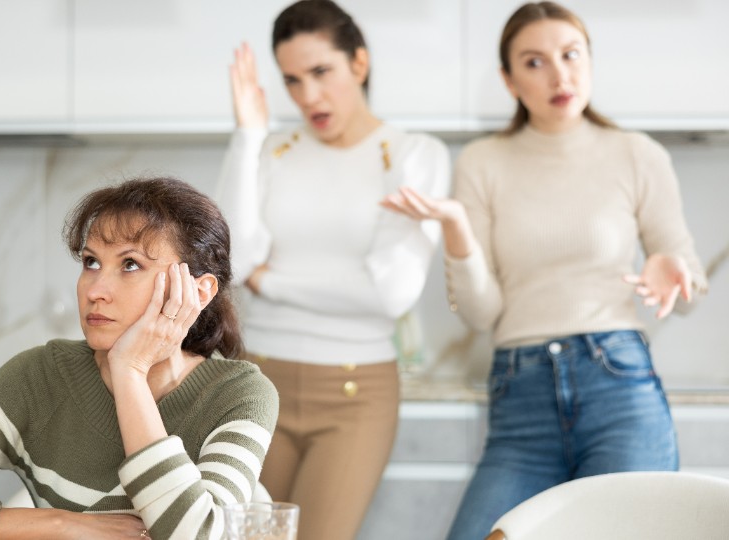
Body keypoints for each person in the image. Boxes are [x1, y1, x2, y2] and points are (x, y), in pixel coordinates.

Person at [382, 2, 709, 538]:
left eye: (571, 55)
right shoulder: (483, 162)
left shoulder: (637, 154)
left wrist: (677, 273)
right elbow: (481, 314)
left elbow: (690, 287)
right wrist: (457, 228)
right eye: (534, 62)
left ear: (590, 61)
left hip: (619, 389)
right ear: (508, 80)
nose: (559, 75)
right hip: (520, 400)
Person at [0, 177, 278, 540]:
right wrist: (62, 525)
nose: (95, 290)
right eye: (91, 262)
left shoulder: (240, 394)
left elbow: (200, 535)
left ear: (199, 292)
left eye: (131, 265)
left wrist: (130, 372)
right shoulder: (38, 377)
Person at [216, 1, 450, 538]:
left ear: (359, 64)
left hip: (356, 395)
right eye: (292, 80)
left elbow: (391, 294)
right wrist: (248, 134)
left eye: (321, 72)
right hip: (255, 384)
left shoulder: (413, 155)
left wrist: (270, 282)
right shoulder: (273, 150)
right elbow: (234, 259)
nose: (308, 96)